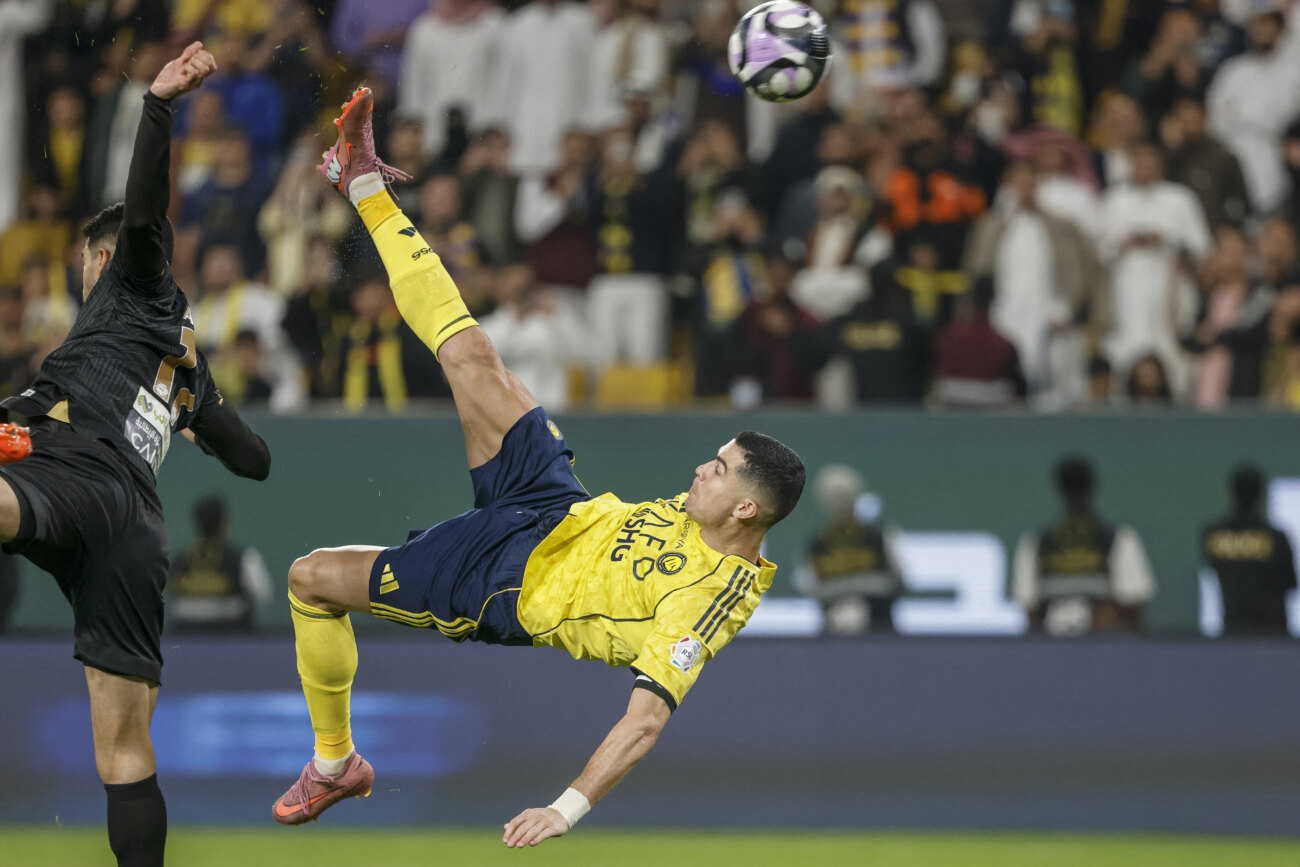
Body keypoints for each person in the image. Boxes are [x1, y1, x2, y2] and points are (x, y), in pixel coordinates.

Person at [273, 88, 804, 848]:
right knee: (474, 355)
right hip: (554, 501)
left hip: (506, 581)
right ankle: (362, 183)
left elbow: (646, 719)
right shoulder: (699, 515)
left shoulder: (708, 600)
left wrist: (568, 805)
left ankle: (334, 762)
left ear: (747, 511)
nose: (701, 467)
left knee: (310, 577)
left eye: (718, 469)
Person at [0, 43, 270, 867]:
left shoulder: (134, 280)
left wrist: (157, 105)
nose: (85, 280)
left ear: (102, 261)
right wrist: (195, 404)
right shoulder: (189, 369)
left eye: (87, 265)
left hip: (72, 473)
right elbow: (253, 459)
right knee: (124, 753)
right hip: (131, 532)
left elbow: (146, 212)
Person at [1012, 456, 1156, 636]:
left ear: (1059, 489)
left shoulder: (1037, 542)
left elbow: (1133, 606)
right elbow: (1134, 607)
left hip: (1101, 647)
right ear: (1092, 487)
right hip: (1056, 647)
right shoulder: (1118, 538)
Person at [1202, 466, 1297, 636]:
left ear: (1231, 493)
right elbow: (1290, 583)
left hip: (1233, 629)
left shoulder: (1213, 534)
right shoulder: (1275, 537)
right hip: (1273, 634)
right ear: (1262, 495)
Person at [168, 493, 273, 632]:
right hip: (233, 639)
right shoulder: (243, 558)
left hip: (186, 638)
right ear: (223, 523)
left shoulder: (179, 559)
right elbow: (263, 595)